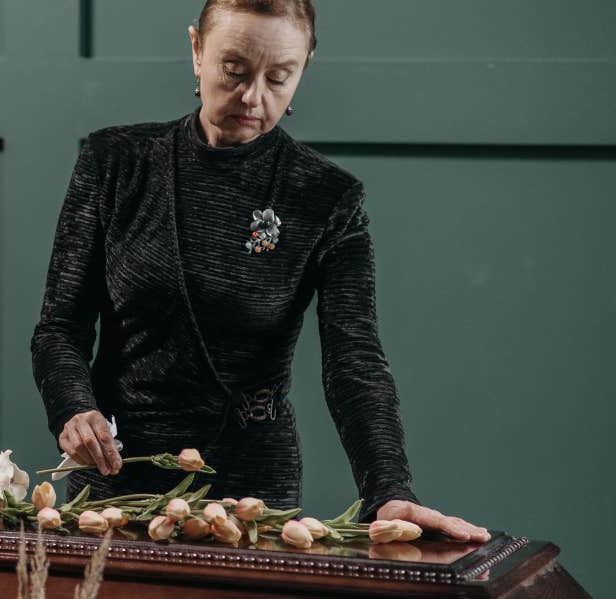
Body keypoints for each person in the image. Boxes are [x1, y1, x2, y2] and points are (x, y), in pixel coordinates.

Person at [29, 0, 489, 542]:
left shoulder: (325, 197)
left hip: (250, 488)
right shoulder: (115, 161)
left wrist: (390, 489)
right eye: (234, 69)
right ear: (197, 50)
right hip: (116, 475)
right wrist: (73, 410)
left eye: (279, 77)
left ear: (304, 68)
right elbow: (60, 328)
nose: (253, 97)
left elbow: (354, 362)